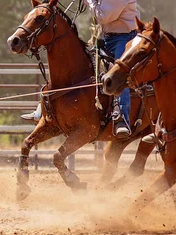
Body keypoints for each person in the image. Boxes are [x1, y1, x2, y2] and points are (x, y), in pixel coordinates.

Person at [21, 0, 139, 139]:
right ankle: (45, 109)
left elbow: (104, 16)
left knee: (119, 74)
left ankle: (121, 118)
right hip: (106, 37)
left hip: (125, 39)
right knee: (79, 65)